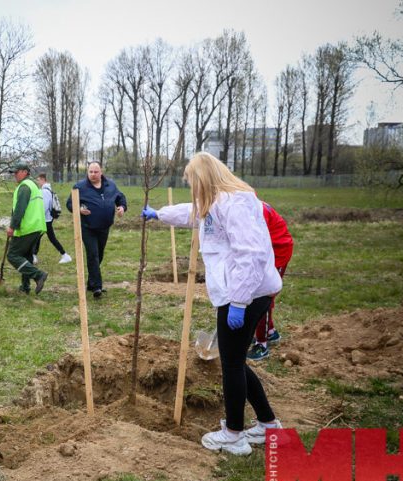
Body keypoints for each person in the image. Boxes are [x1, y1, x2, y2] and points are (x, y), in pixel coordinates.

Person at [141, 152, 283, 455]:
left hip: (244, 294)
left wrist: (239, 302)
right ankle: (268, 424)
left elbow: (251, 254)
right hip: (243, 293)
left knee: (231, 365)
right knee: (236, 362)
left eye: (192, 182)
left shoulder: (235, 205)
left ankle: (233, 435)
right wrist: (159, 214)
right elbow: (192, 213)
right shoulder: (217, 202)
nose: (192, 188)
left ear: (203, 179)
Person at [66, 161, 127, 299]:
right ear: (87, 172)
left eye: (96, 172)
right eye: (90, 172)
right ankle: (97, 287)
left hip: (104, 227)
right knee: (93, 254)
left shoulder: (110, 185)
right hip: (88, 227)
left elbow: (120, 198)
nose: (93, 174)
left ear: (101, 172)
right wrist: (79, 209)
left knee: (99, 255)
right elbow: (70, 204)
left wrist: (122, 207)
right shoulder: (80, 187)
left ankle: (91, 282)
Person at [247, 202, 293, 361]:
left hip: (278, 251)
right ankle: (270, 332)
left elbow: (255, 242)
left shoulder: (255, 211)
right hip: (267, 251)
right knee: (260, 295)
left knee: (264, 296)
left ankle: (262, 344)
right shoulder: (247, 206)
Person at [6, 162, 48, 295]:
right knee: (26, 256)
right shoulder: (33, 185)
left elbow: (19, 209)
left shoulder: (24, 187)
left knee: (12, 255)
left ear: (25, 172)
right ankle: (25, 287)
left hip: (28, 227)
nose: (14, 175)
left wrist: (12, 226)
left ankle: (38, 275)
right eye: (13, 173)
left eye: (16, 172)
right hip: (37, 226)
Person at [34, 173, 71, 264]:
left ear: (43, 179)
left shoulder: (45, 191)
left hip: (45, 219)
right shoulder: (46, 189)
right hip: (47, 219)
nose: (37, 182)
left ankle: (65, 255)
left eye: (38, 180)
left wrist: (39, 216)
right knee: (39, 238)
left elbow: (45, 206)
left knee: (42, 238)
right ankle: (33, 256)